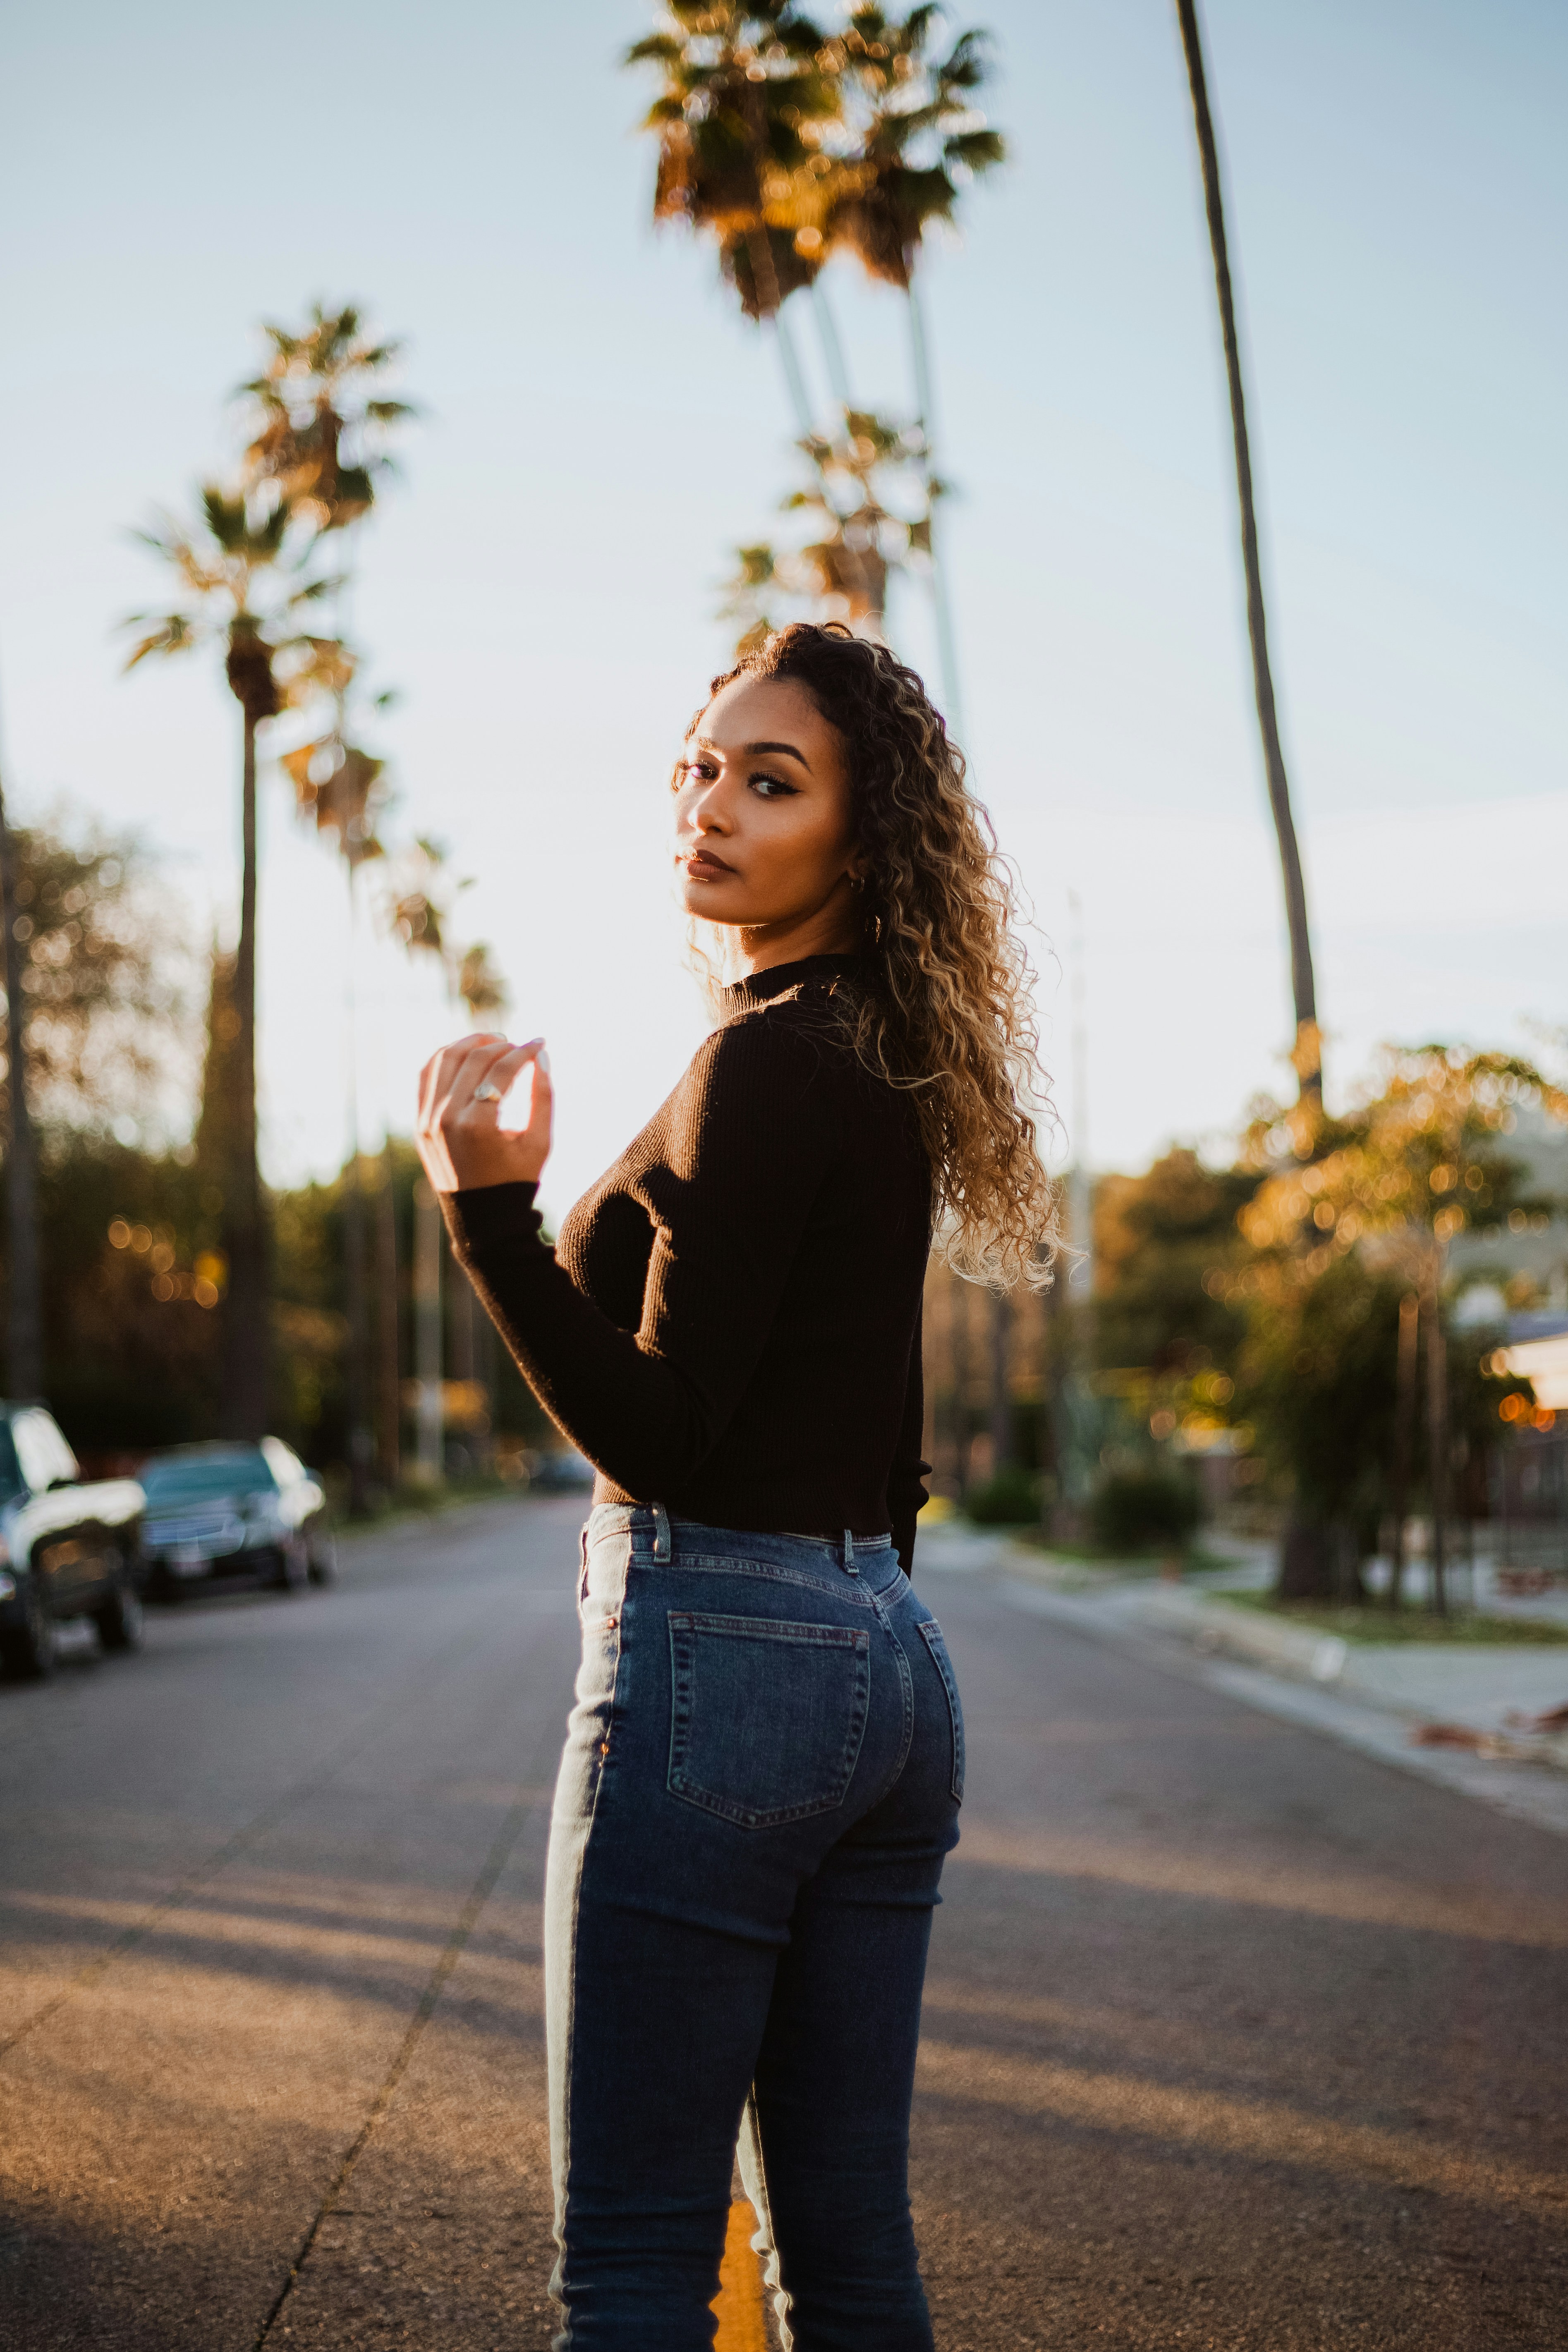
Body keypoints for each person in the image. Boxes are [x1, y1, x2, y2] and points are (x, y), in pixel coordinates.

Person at [415, 622, 1056, 2350]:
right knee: (845, 2259)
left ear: (863, 834)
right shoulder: (868, 1057)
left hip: (727, 1651)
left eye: (771, 782)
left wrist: (487, 1215)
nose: (711, 806)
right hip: (884, 1650)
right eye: (700, 768)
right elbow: (866, 1438)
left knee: (636, 2264)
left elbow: (669, 1432)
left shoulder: (767, 1061)